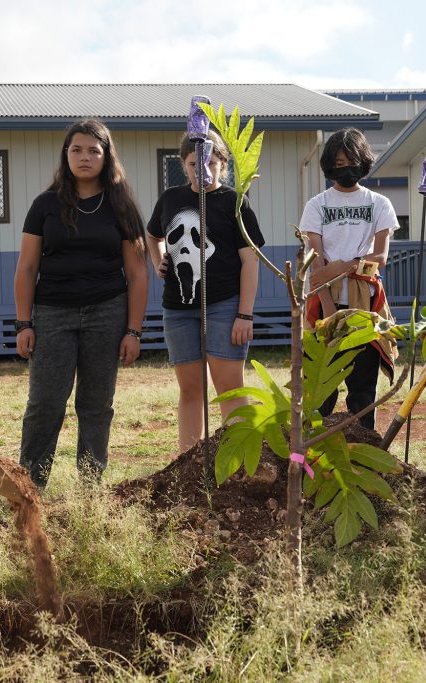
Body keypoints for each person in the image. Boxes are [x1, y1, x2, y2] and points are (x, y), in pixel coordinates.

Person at [14, 119, 148, 488]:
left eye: (93, 150)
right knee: (45, 403)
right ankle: (29, 487)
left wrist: (134, 330)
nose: (85, 157)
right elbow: (26, 268)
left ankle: (90, 491)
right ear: (66, 155)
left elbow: (138, 275)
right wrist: (23, 324)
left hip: (107, 312)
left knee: (95, 405)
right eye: (77, 149)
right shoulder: (44, 205)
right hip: (52, 314)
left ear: (106, 157)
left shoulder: (122, 207)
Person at [146, 131, 264, 453]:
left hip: (225, 307)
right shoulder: (170, 199)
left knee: (229, 388)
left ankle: (238, 458)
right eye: (193, 163)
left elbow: (250, 262)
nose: (203, 169)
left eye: (210, 162)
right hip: (178, 309)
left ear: (222, 163)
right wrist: (158, 260)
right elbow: (152, 233)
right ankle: (189, 462)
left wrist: (244, 314)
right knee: (190, 390)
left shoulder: (234, 203)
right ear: (183, 164)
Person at [299, 128, 399, 430]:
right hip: (323, 301)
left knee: (363, 390)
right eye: (339, 163)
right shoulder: (316, 205)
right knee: (320, 390)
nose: (346, 168)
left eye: (352, 161)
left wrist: (341, 266)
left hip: (365, 305)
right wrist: (329, 309)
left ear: (363, 161)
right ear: (330, 164)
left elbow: (379, 258)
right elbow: (315, 267)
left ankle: (365, 451)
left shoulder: (379, 203)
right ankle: (310, 459)